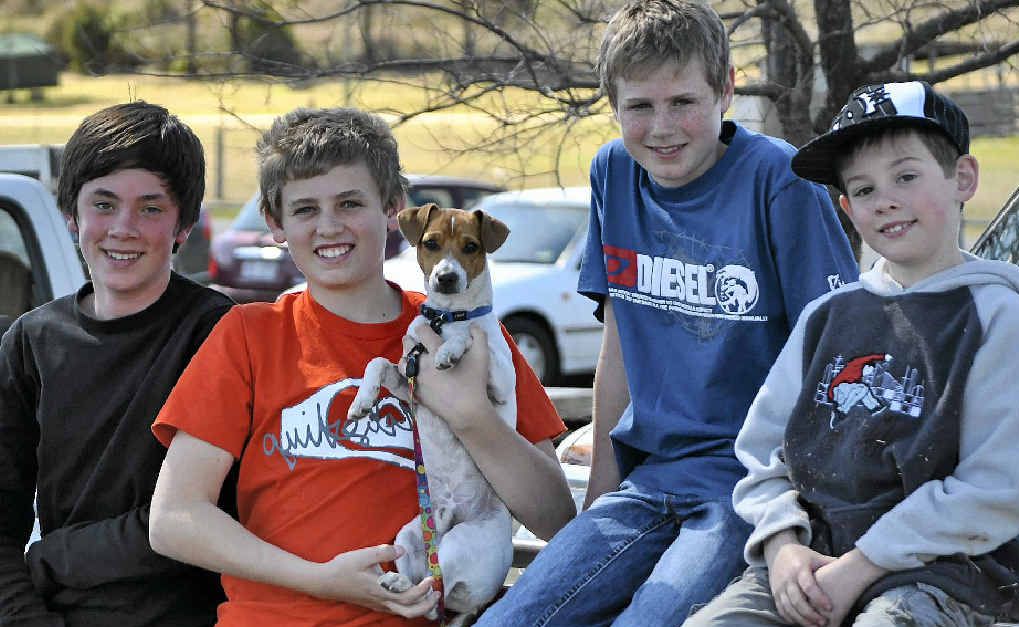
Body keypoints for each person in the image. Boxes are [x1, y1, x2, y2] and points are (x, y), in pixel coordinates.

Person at [478, 1, 859, 625]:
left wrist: (798, 517)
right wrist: (598, 503)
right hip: (649, 478)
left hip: (747, 484)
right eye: (640, 106)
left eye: (683, 102)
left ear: (725, 90)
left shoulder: (780, 180)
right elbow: (619, 347)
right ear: (612, 105)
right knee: (511, 619)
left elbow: (833, 355)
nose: (662, 127)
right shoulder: (614, 173)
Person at [147, 107, 575, 626]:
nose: (329, 226)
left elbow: (556, 517)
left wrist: (472, 418)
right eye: (305, 209)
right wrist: (318, 579)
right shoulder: (249, 336)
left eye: (350, 203)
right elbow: (174, 518)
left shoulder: (468, 334)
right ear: (276, 224)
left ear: (393, 207)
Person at [683, 81, 1019, 627]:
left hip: (943, 574)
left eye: (906, 177)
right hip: (812, 561)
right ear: (846, 207)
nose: (884, 200)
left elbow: (995, 489)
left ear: (962, 177)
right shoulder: (827, 316)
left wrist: (858, 569)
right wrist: (782, 547)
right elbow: (764, 453)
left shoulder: (999, 317)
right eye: (863, 189)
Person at [0, 102, 235, 625]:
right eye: (104, 204)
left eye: (150, 208)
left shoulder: (222, 334)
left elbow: (215, 514)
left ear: (183, 225)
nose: (123, 228)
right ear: (72, 215)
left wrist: (56, 555)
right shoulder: (31, 344)